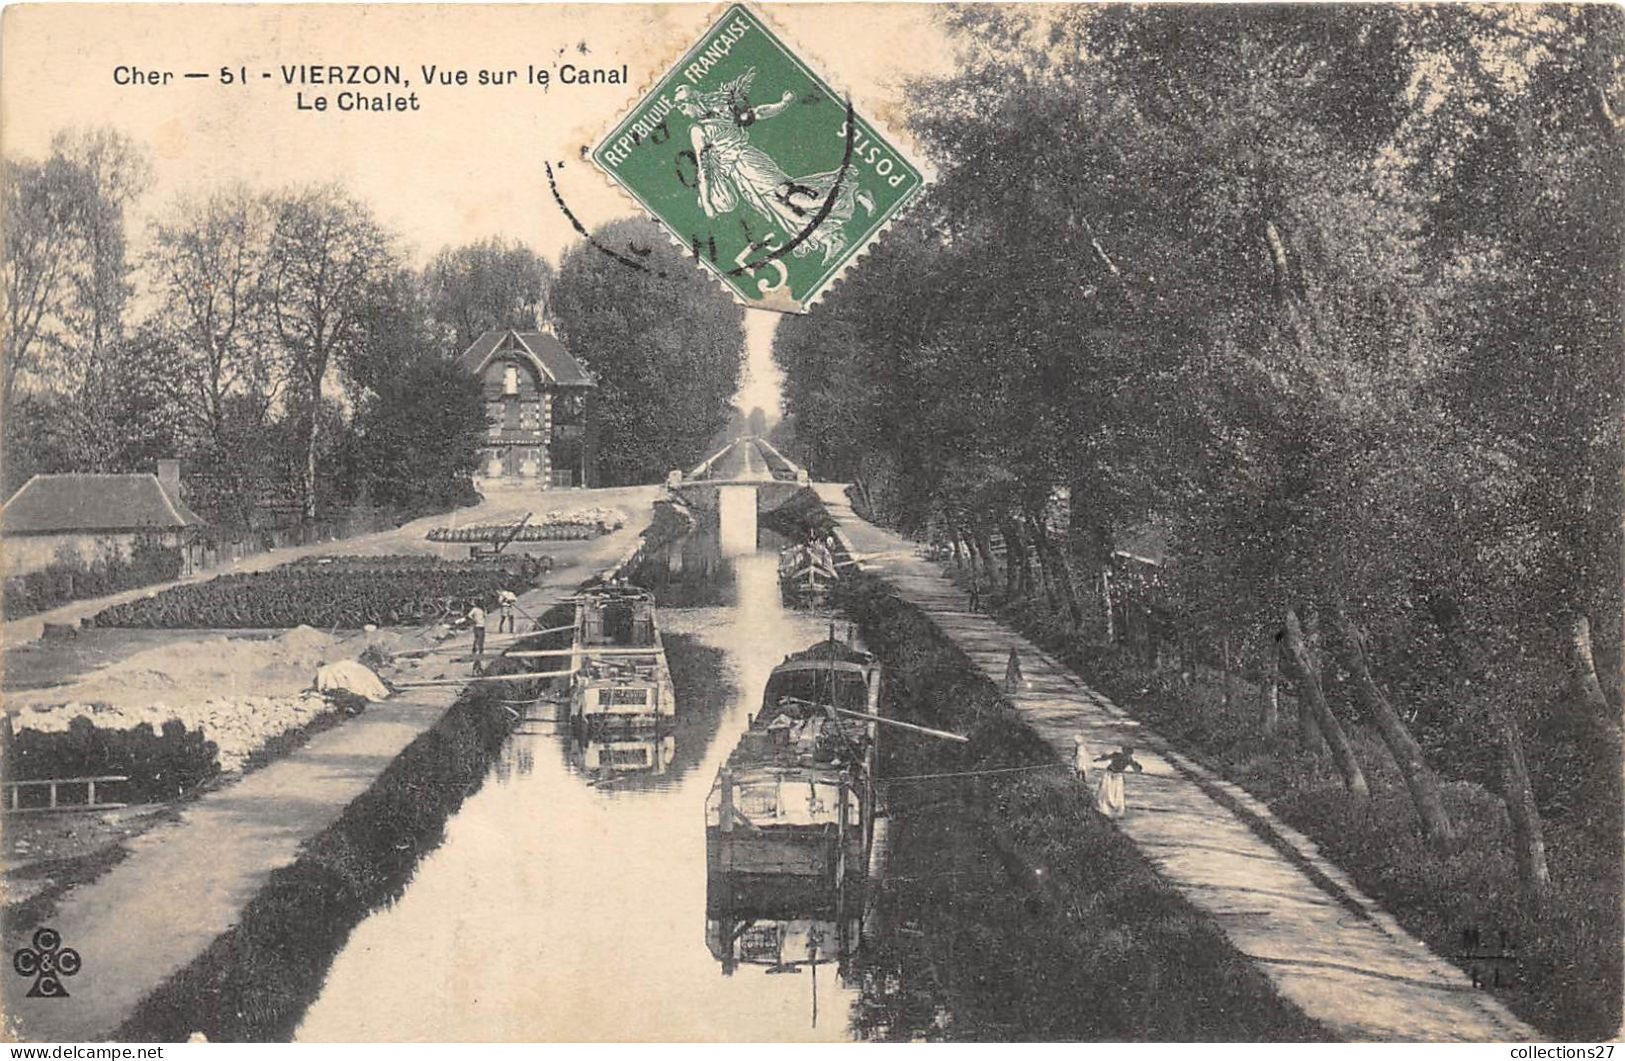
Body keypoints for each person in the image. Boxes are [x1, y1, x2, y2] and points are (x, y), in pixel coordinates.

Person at [1093, 746, 1144, 819]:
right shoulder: (1117, 755)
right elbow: (1106, 757)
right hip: (1109, 774)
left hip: (1117, 776)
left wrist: (1138, 767)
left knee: (1116, 793)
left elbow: (1136, 769)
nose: (1126, 756)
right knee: (1107, 791)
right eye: (1126, 753)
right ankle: (1105, 808)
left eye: (1128, 754)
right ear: (1123, 751)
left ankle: (1114, 810)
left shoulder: (1129, 759)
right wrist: (1098, 759)